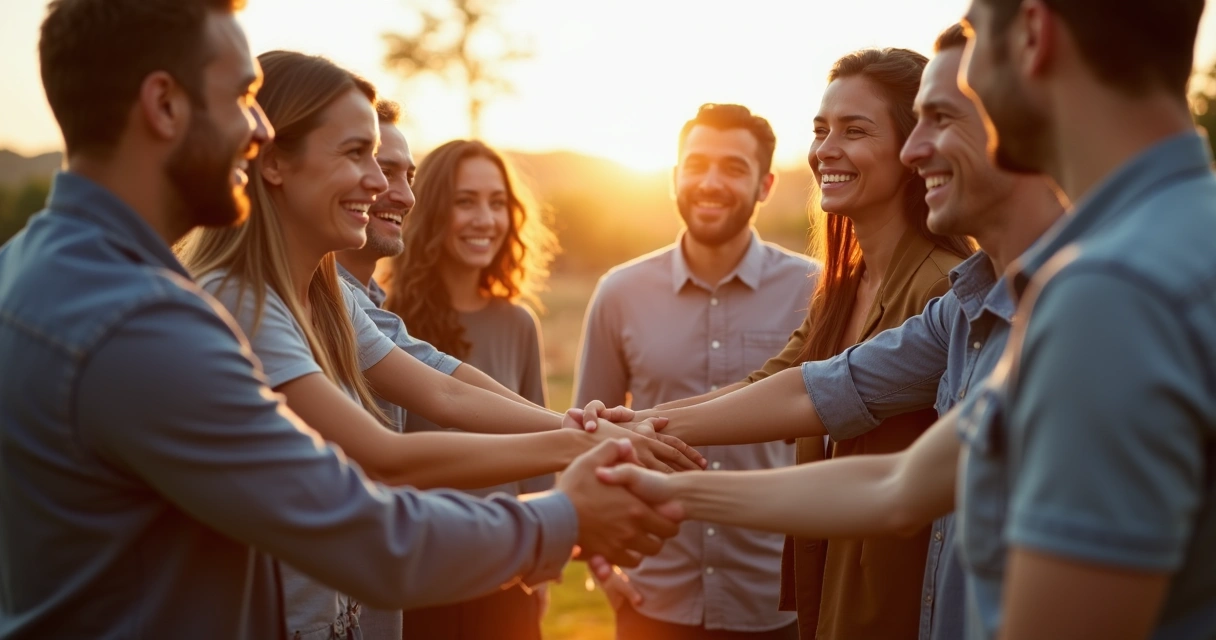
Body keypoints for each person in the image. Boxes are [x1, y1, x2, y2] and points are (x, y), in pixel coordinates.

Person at [0, 2, 680, 636]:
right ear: (164, 104)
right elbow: (362, 530)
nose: (259, 129)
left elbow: (436, 387)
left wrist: (576, 438)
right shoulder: (147, 324)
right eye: (243, 97)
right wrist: (567, 515)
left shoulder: (28, 266)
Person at [599, 1, 1216, 638]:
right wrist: (657, 482)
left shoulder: (1111, 296)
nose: (916, 149)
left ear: (1034, 35)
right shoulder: (1069, 281)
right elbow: (893, 480)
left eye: (945, 111)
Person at [175, 49, 700, 638]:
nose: (379, 185)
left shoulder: (329, 298)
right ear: (273, 163)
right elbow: (384, 457)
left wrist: (588, 432)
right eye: (358, 155)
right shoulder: (240, 302)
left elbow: (445, 392)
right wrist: (579, 452)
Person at [623, 48, 974, 640]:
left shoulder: (939, 286)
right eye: (820, 130)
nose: (825, 150)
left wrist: (643, 434)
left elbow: (807, 398)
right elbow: (773, 383)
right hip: (833, 578)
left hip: (893, 596)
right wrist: (639, 423)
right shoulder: (845, 284)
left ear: (913, 150)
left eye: (854, 131)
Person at [571, 103, 813, 640]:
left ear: (765, 184)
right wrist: (603, 567)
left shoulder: (814, 291)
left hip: (776, 602)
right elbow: (586, 437)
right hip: (653, 599)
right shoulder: (619, 292)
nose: (710, 182)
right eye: (696, 164)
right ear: (675, 176)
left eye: (733, 167)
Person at [374, 138, 558, 639]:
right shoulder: (384, 322)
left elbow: (539, 454)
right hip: (418, 576)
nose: (485, 218)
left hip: (506, 573)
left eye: (497, 203)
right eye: (465, 201)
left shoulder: (519, 323)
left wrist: (544, 563)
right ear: (431, 211)